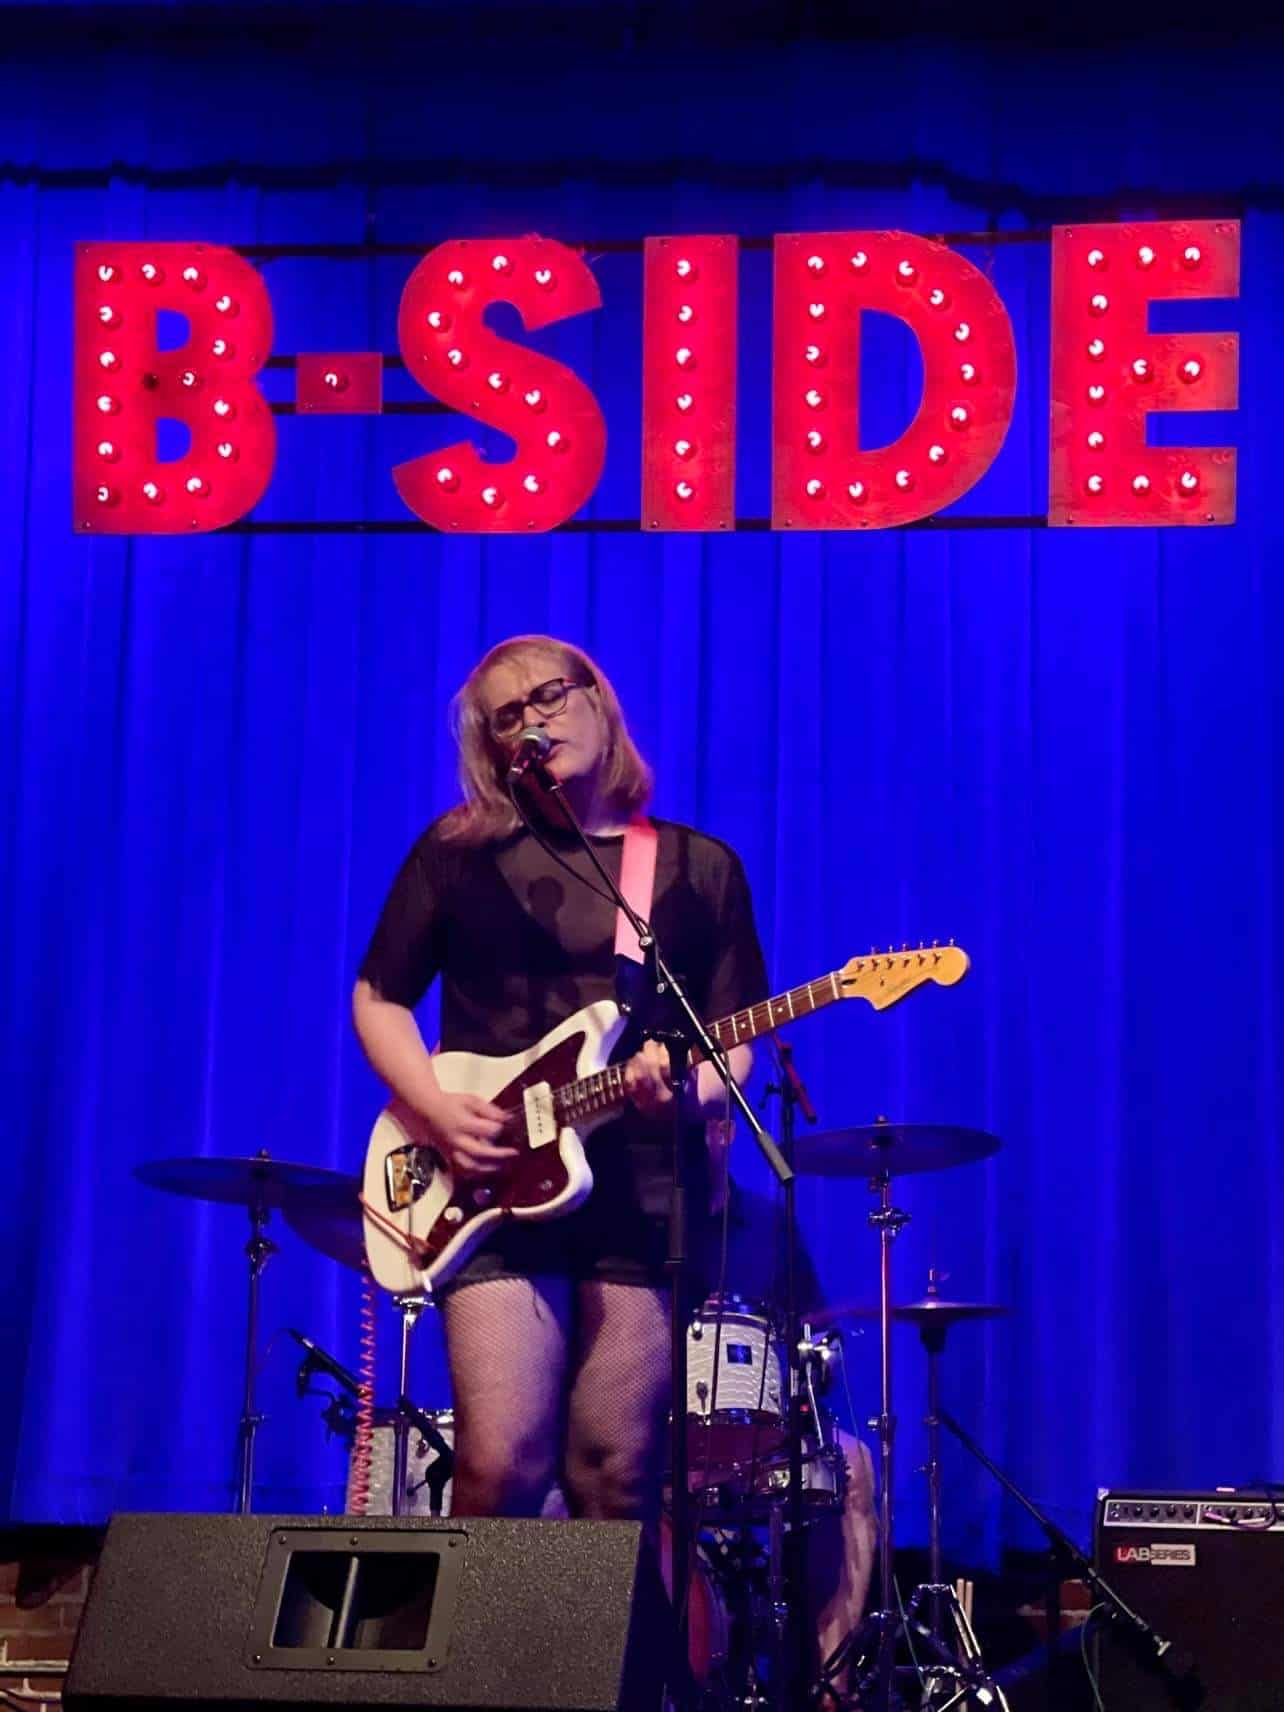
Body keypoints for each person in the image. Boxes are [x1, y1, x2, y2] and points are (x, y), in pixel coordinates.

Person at [352, 634, 766, 1525]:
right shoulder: (460, 853)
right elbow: (378, 998)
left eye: (549, 696)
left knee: (615, 1470)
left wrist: (681, 1095)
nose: (535, 720)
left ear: (598, 700)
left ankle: (604, 1669)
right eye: (509, 716)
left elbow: (731, 1050)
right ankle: (470, 1669)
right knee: (501, 1461)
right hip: (492, 1174)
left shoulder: (698, 869)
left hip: (645, 1186)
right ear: (495, 748)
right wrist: (433, 1108)